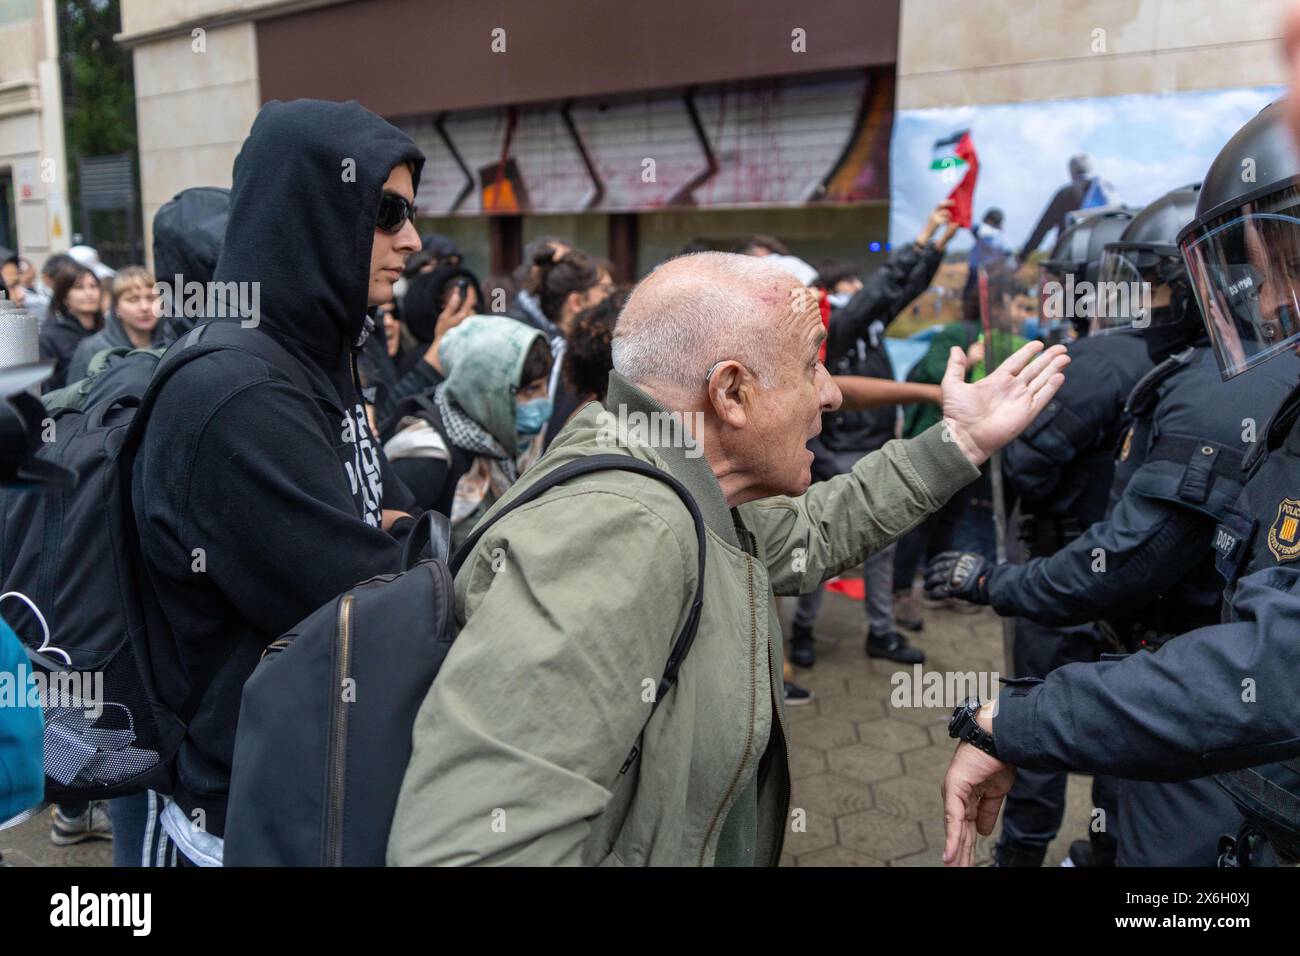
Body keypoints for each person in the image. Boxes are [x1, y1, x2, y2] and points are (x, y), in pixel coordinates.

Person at [386, 250, 1068, 866]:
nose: (830, 392)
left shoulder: (683, 480)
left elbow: (811, 532)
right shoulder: (615, 532)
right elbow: (471, 848)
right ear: (731, 393)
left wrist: (958, 442)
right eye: (811, 366)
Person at [935, 105, 1300, 867]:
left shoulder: (1166, 378)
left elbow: (1269, 659)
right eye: (1261, 276)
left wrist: (1002, 599)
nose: (1268, 304)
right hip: (1161, 671)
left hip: (1145, 647)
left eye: (1286, 270)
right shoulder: (1211, 374)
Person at [131, 98, 428, 866]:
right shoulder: (237, 392)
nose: (412, 240)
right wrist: (407, 555)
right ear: (311, 210)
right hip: (241, 820)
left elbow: (394, 515)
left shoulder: (316, 354)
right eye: (387, 212)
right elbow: (367, 594)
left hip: (316, 783)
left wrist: (401, 547)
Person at [979, 205, 1150, 867]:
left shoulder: (1091, 359)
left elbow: (1026, 468)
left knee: (1038, 716)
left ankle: (1020, 853)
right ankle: (1106, 849)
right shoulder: (1188, 352)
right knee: (1125, 719)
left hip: (1062, 567)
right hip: (1139, 580)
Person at [790, 200, 958, 668]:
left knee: (883, 544)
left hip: (875, 444)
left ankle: (881, 632)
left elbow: (901, 291)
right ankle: (803, 628)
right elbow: (880, 293)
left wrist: (940, 245)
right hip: (837, 453)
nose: (860, 290)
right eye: (850, 286)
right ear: (831, 293)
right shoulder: (832, 325)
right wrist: (922, 234)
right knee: (819, 545)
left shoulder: (865, 321)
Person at [383, 314, 551, 542]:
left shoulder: (514, 439)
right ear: (487, 390)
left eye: (545, 386)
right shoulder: (426, 456)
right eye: (531, 390)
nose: (544, 399)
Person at [65, 266, 161, 384]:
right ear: (116, 308)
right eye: (133, 299)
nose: (144, 307)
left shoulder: (172, 345)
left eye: (151, 298)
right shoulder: (92, 350)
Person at [38, 261, 103, 393]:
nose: (89, 293)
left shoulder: (109, 329)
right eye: (79, 288)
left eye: (93, 286)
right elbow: (46, 389)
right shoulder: (50, 336)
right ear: (64, 296)